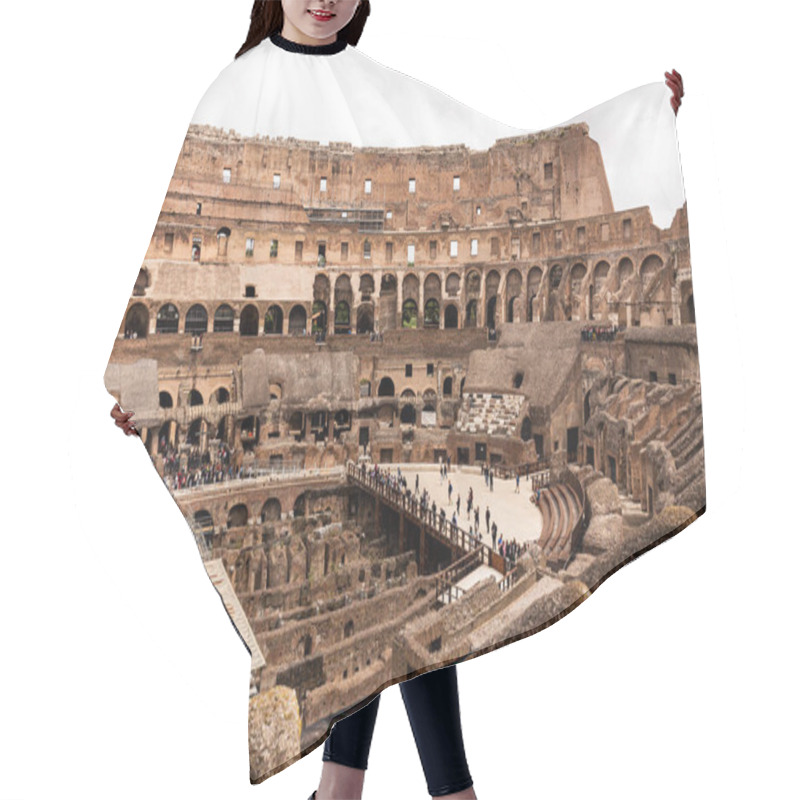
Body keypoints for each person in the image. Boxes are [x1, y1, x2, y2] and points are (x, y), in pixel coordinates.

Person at [109, 2, 685, 798]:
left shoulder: (377, 91)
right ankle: (424, 790)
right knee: (397, 595)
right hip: (305, 379)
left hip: (370, 405)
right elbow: (161, 259)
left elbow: (520, 148)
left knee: (405, 594)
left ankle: (353, 787)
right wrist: (137, 386)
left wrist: (641, 123)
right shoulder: (233, 91)